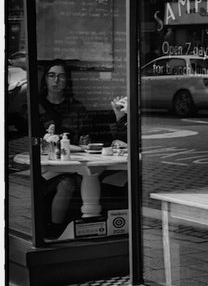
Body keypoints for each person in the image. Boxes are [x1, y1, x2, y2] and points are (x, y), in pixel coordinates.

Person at [20, 61, 127, 233]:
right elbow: (37, 141)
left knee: (94, 178)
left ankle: (85, 227)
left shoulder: (76, 107)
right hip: (49, 168)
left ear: (67, 81)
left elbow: (89, 136)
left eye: (61, 76)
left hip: (75, 164)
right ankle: (55, 230)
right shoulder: (35, 107)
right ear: (45, 80)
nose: (56, 80)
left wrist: (85, 141)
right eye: (52, 75)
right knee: (68, 183)